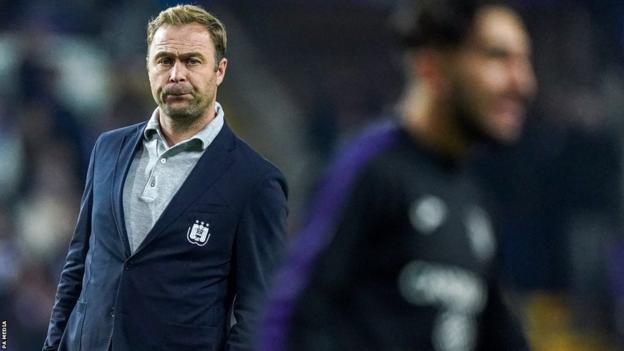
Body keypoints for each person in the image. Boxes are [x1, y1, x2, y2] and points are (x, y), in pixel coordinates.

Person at [258, 0, 536, 350]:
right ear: (432, 66)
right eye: (498, 57)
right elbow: (291, 315)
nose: (522, 82)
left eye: (524, 62)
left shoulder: (476, 201)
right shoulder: (370, 170)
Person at [42, 4, 288, 351]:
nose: (176, 75)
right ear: (148, 67)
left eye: (192, 61)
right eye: (164, 60)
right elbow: (77, 268)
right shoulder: (107, 149)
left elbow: (258, 313)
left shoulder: (256, 181)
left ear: (219, 70)